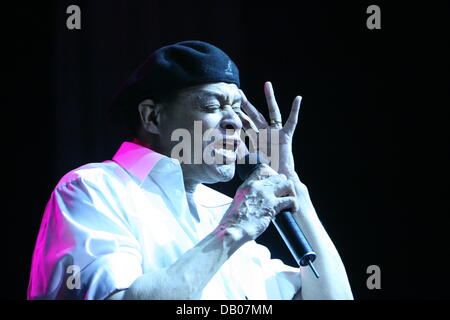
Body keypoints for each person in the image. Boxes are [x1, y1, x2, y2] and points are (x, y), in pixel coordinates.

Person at [27, 40, 353, 300]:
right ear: (152, 118)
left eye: (238, 109)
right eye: (213, 106)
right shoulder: (94, 189)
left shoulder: (222, 209)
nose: (235, 121)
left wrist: (292, 188)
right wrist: (234, 230)